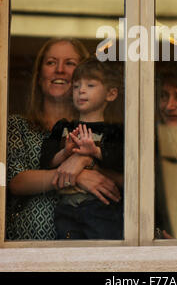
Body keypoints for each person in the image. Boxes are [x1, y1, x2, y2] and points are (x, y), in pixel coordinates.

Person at [6, 38, 121, 241]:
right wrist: (75, 176)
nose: (59, 70)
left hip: (92, 244)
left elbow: (129, 181)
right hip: (28, 248)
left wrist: (87, 161)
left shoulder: (108, 129)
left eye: (69, 63)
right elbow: (15, 181)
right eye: (51, 62)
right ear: (39, 75)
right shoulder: (18, 125)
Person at [40, 58, 124, 240]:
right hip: (66, 208)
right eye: (77, 86)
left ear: (111, 94)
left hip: (101, 209)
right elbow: (45, 161)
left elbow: (121, 162)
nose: (81, 91)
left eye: (90, 85)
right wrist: (65, 152)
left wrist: (95, 152)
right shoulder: (63, 128)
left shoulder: (114, 130)